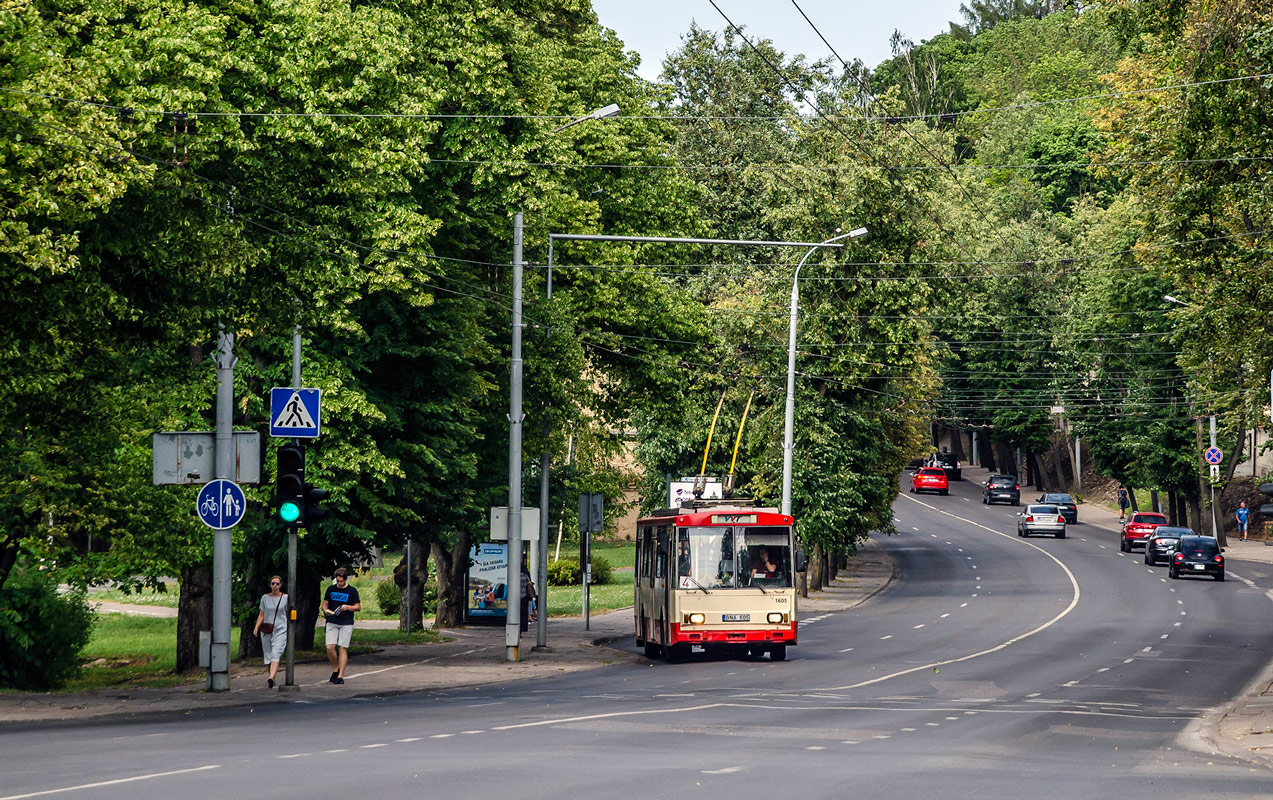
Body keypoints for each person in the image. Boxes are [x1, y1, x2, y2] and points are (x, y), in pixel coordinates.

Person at [321, 567, 361, 684]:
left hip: (346, 622)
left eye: (341, 581)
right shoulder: (331, 589)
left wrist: (347, 607)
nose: (339, 583)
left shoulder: (352, 591)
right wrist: (326, 610)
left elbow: (358, 607)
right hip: (332, 620)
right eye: (337, 581)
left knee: (342, 647)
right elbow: (325, 604)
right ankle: (335, 668)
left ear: (345, 580)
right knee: (329, 647)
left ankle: (340, 675)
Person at [253, 575, 288, 689]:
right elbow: (261, 614)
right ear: (270, 585)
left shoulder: (285, 598)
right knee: (268, 654)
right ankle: (271, 677)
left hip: (281, 628)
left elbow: (288, 613)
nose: (275, 586)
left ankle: (272, 677)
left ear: (281, 585)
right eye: (273, 583)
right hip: (267, 629)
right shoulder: (265, 598)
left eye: (277, 583)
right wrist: (256, 627)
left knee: (276, 652)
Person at [519, 563, 536, 633]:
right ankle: (523, 627)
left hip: (516, 597)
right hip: (524, 597)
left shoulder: (514, 576)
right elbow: (530, 583)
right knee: (523, 613)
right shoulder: (525, 576)